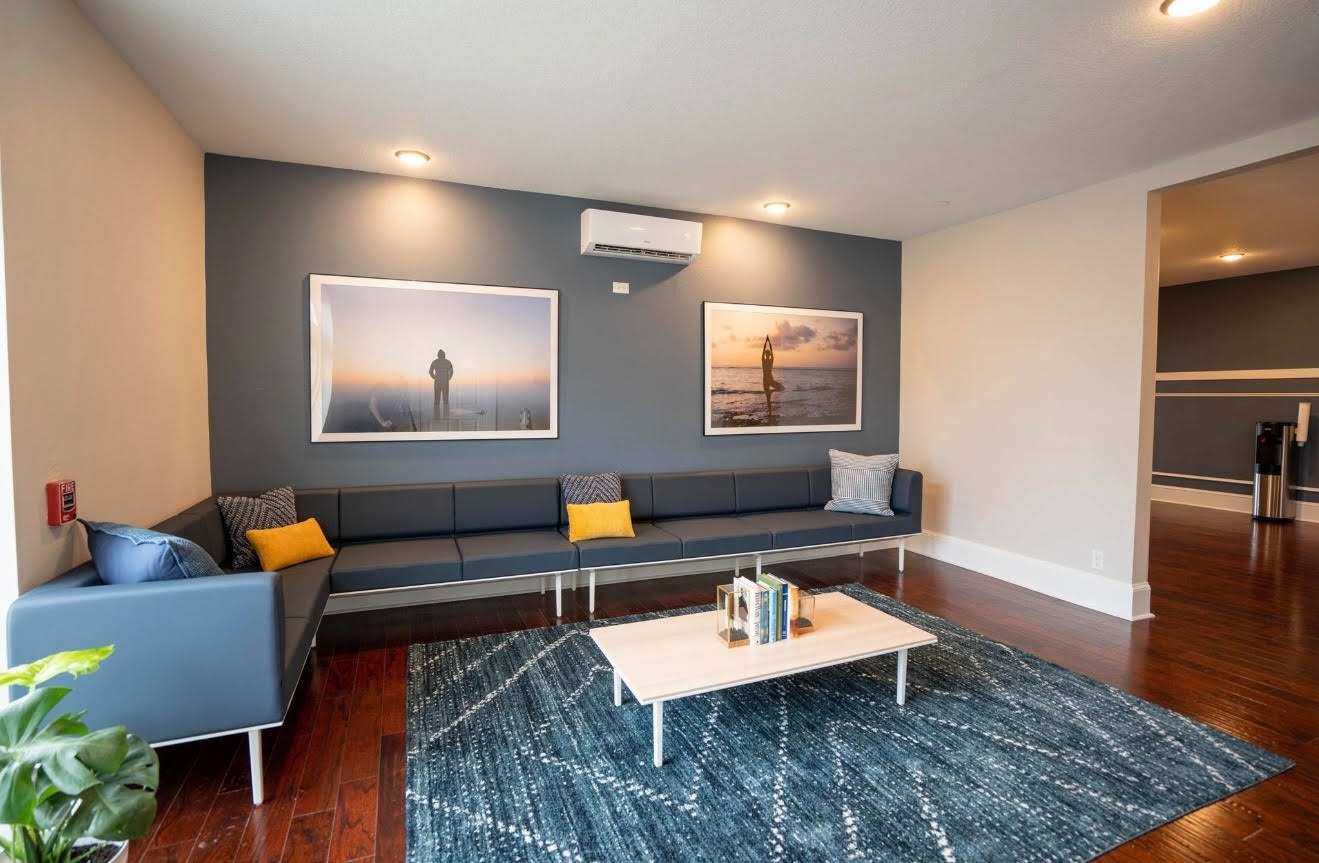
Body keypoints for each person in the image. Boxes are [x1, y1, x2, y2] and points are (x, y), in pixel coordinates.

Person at [761, 335, 784, 419]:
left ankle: (772, 391)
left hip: (770, 379)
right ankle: (770, 413)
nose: (766, 354)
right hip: (765, 380)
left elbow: (771, 351)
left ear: (769, 355)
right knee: (768, 399)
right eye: (766, 354)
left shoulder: (771, 360)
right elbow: (763, 352)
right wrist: (765, 343)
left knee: (782, 387)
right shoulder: (763, 360)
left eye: (768, 353)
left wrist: (769, 343)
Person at [429, 349, 454, 419]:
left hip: (437, 382)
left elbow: (430, 371)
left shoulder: (434, 362)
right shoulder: (448, 362)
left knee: (436, 400)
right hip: (445, 382)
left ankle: (436, 417)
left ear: (438, 355)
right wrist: (448, 378)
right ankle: (446, 417)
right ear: (444, 355)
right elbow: (452, 371)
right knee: (445, 400)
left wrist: (434, 377)